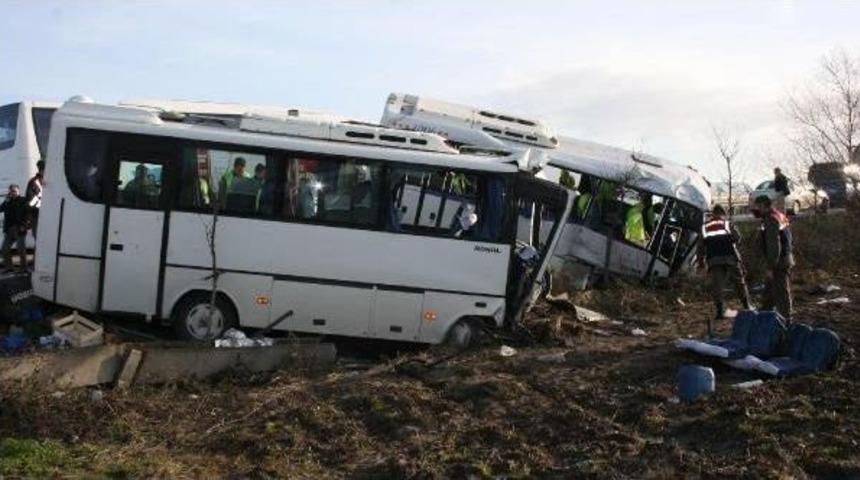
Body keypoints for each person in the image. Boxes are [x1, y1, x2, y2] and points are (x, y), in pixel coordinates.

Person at [700, 204, 752, 319]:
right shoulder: (727, 223)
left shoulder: (705, 227)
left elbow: (701, 246)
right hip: (730, 258)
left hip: (714, 259)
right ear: (722, 213)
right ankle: (747, 306)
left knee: (717, 286)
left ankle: (720, 312)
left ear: (713, 213)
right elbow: (737, 238)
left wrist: (700, 262)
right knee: (739, 282)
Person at [754, 195, 794, 321]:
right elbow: (788, 238)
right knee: (769, 292)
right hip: (785, 257)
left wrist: (770, 266)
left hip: (778, 261)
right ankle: (764, 317)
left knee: (780, 293)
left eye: (758, 206)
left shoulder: (770, 219)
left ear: (763, 205)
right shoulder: (779, 215)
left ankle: (786, 320)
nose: (757, 210)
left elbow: (773, 244)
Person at [1, 184, 29, 272]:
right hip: (9, 229)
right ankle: (9, 267)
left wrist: (24, 225)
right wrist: (6, 200)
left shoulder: (23, 200)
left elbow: (28, 214)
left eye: (14, 191)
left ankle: (24, 268)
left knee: (21, 249)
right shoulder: (8, 201)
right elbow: (0, 209)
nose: (13, 193)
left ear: (18, 191)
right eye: (11, 191)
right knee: (5, 248)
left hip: (19, 228)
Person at [25, 160, 45, 239]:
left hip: (49, 215)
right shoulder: (33, 182)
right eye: (42, 169)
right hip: (36, 214)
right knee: (38, 236)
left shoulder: (51, 180)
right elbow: (29, 199)